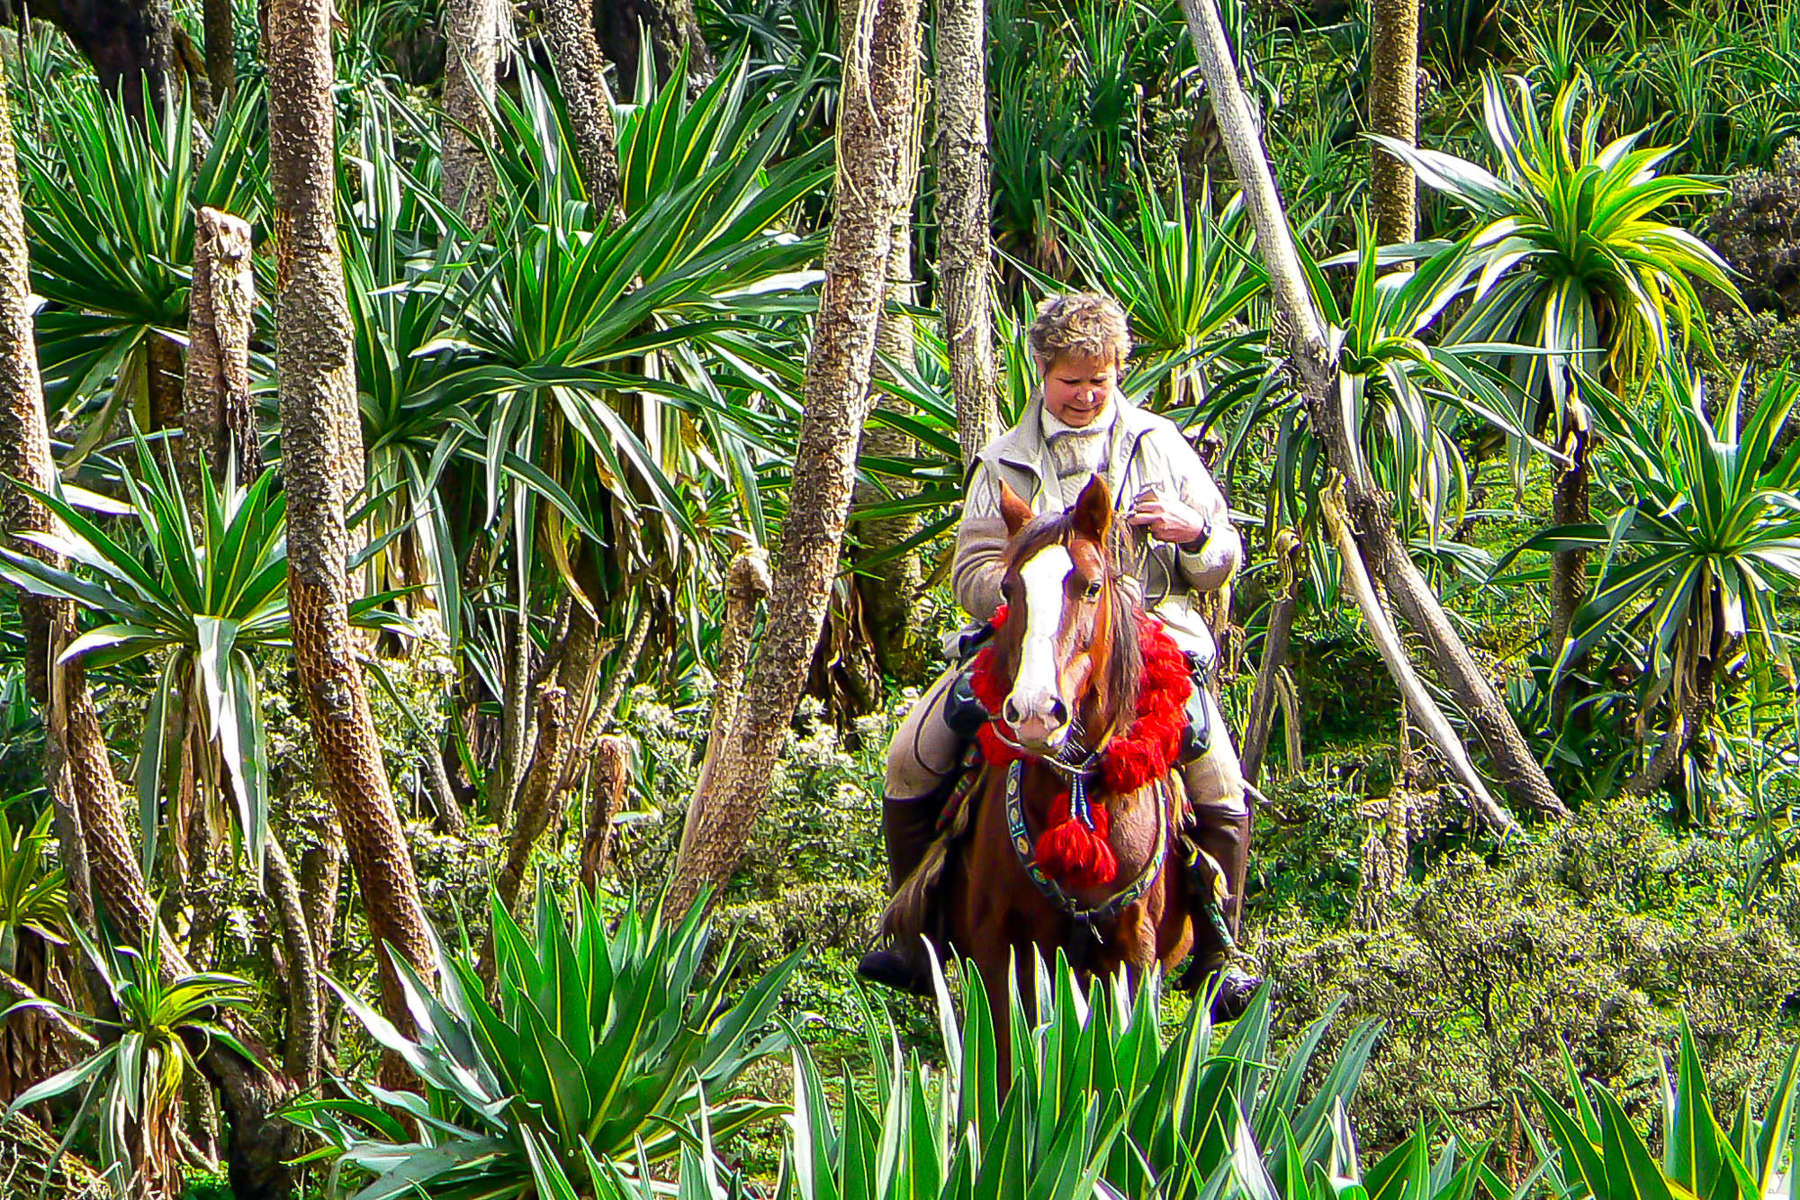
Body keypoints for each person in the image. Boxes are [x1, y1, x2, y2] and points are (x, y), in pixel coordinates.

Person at [857, 293, 1260, 1017]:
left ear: (1117, 372)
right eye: (1071, 381)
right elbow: (970, 570)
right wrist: (1027, 591)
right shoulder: (1004, 460)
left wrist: (1192, 533)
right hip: (1027, 646)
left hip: (1151, 647)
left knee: (1218, 772)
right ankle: (912, 933)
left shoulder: (1159, 445)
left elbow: (1223, 557)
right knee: (911, 754)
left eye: (1098, 379)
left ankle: (1221, 948)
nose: (1085, 395)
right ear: (1042, 371)